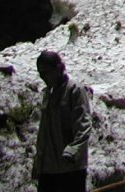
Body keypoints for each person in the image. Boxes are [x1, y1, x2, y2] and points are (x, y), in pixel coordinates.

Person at [32, 50, 91, 192]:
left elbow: (83, 124)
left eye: (46, 72)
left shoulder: (74, 90)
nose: (43, 77)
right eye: (40, 73)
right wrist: (39, 162)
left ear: (58, 69)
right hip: (48, 168)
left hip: (69, 167)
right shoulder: (48, 93)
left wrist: (73, 150)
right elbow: (43, 133)